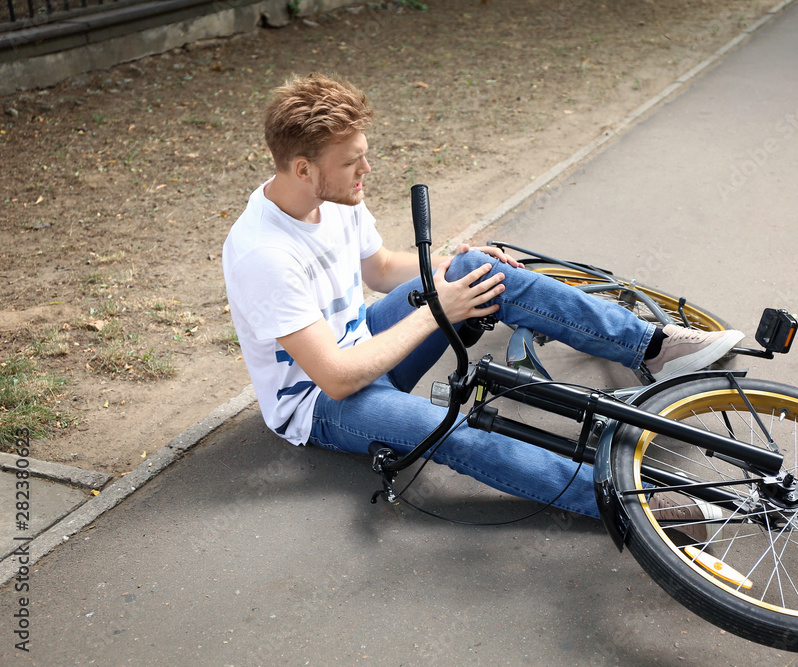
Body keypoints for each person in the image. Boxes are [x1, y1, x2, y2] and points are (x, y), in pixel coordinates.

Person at [222, 73, 743, 520]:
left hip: (365, 338)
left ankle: (652, 346)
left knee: (476, 269)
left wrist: (451, 267)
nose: (367, 172)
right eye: (352, 162)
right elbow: (336, 377)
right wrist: (434, 311)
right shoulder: (263, 255)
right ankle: (640, 508)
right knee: (456, 429)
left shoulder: (334, 199)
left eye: (364, 156)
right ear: (304, 170)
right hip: (320, 402)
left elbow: (380, 270)